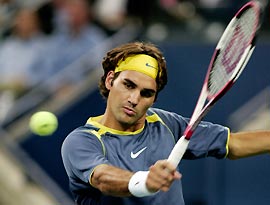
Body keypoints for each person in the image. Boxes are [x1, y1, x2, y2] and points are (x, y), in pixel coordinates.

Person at [61, 41, 270, 205]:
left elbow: (233, 144)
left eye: (146, 93)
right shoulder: (82, 141)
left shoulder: (165, 123)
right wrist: (144, 182)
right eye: (128, 85)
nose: (134, 99)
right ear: (110, 80)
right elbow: (102, 178)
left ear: (154, 99)